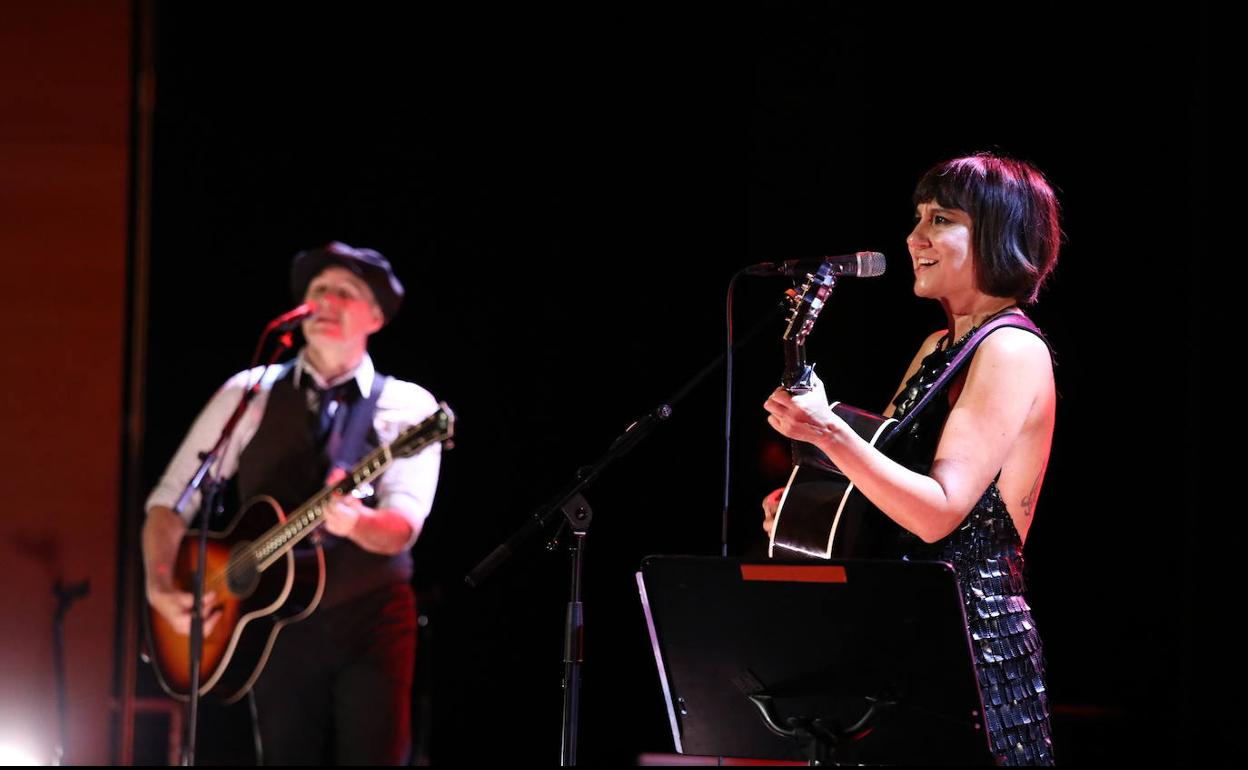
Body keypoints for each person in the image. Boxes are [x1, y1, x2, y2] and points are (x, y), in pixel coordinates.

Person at [762, 153, 1059, 765]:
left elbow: (937, 514)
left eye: (941, 219)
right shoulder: (938, 346)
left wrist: (828, 435)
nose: (914, 237)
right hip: (910, 640)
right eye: (917, 217)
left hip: (972, 648)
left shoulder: (1010, 348)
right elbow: (889, 495)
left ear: (999, 236)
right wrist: (809, 513)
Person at [142, 241, 443, 764]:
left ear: (375, 316)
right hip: (270, 622)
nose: (326, 299)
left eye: (345, 292)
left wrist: (357, 523)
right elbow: (172, 499)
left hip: (370, 618)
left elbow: (404, 524)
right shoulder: (248, 393)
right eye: (318, 289)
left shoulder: (408, 406)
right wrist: (159, 581)